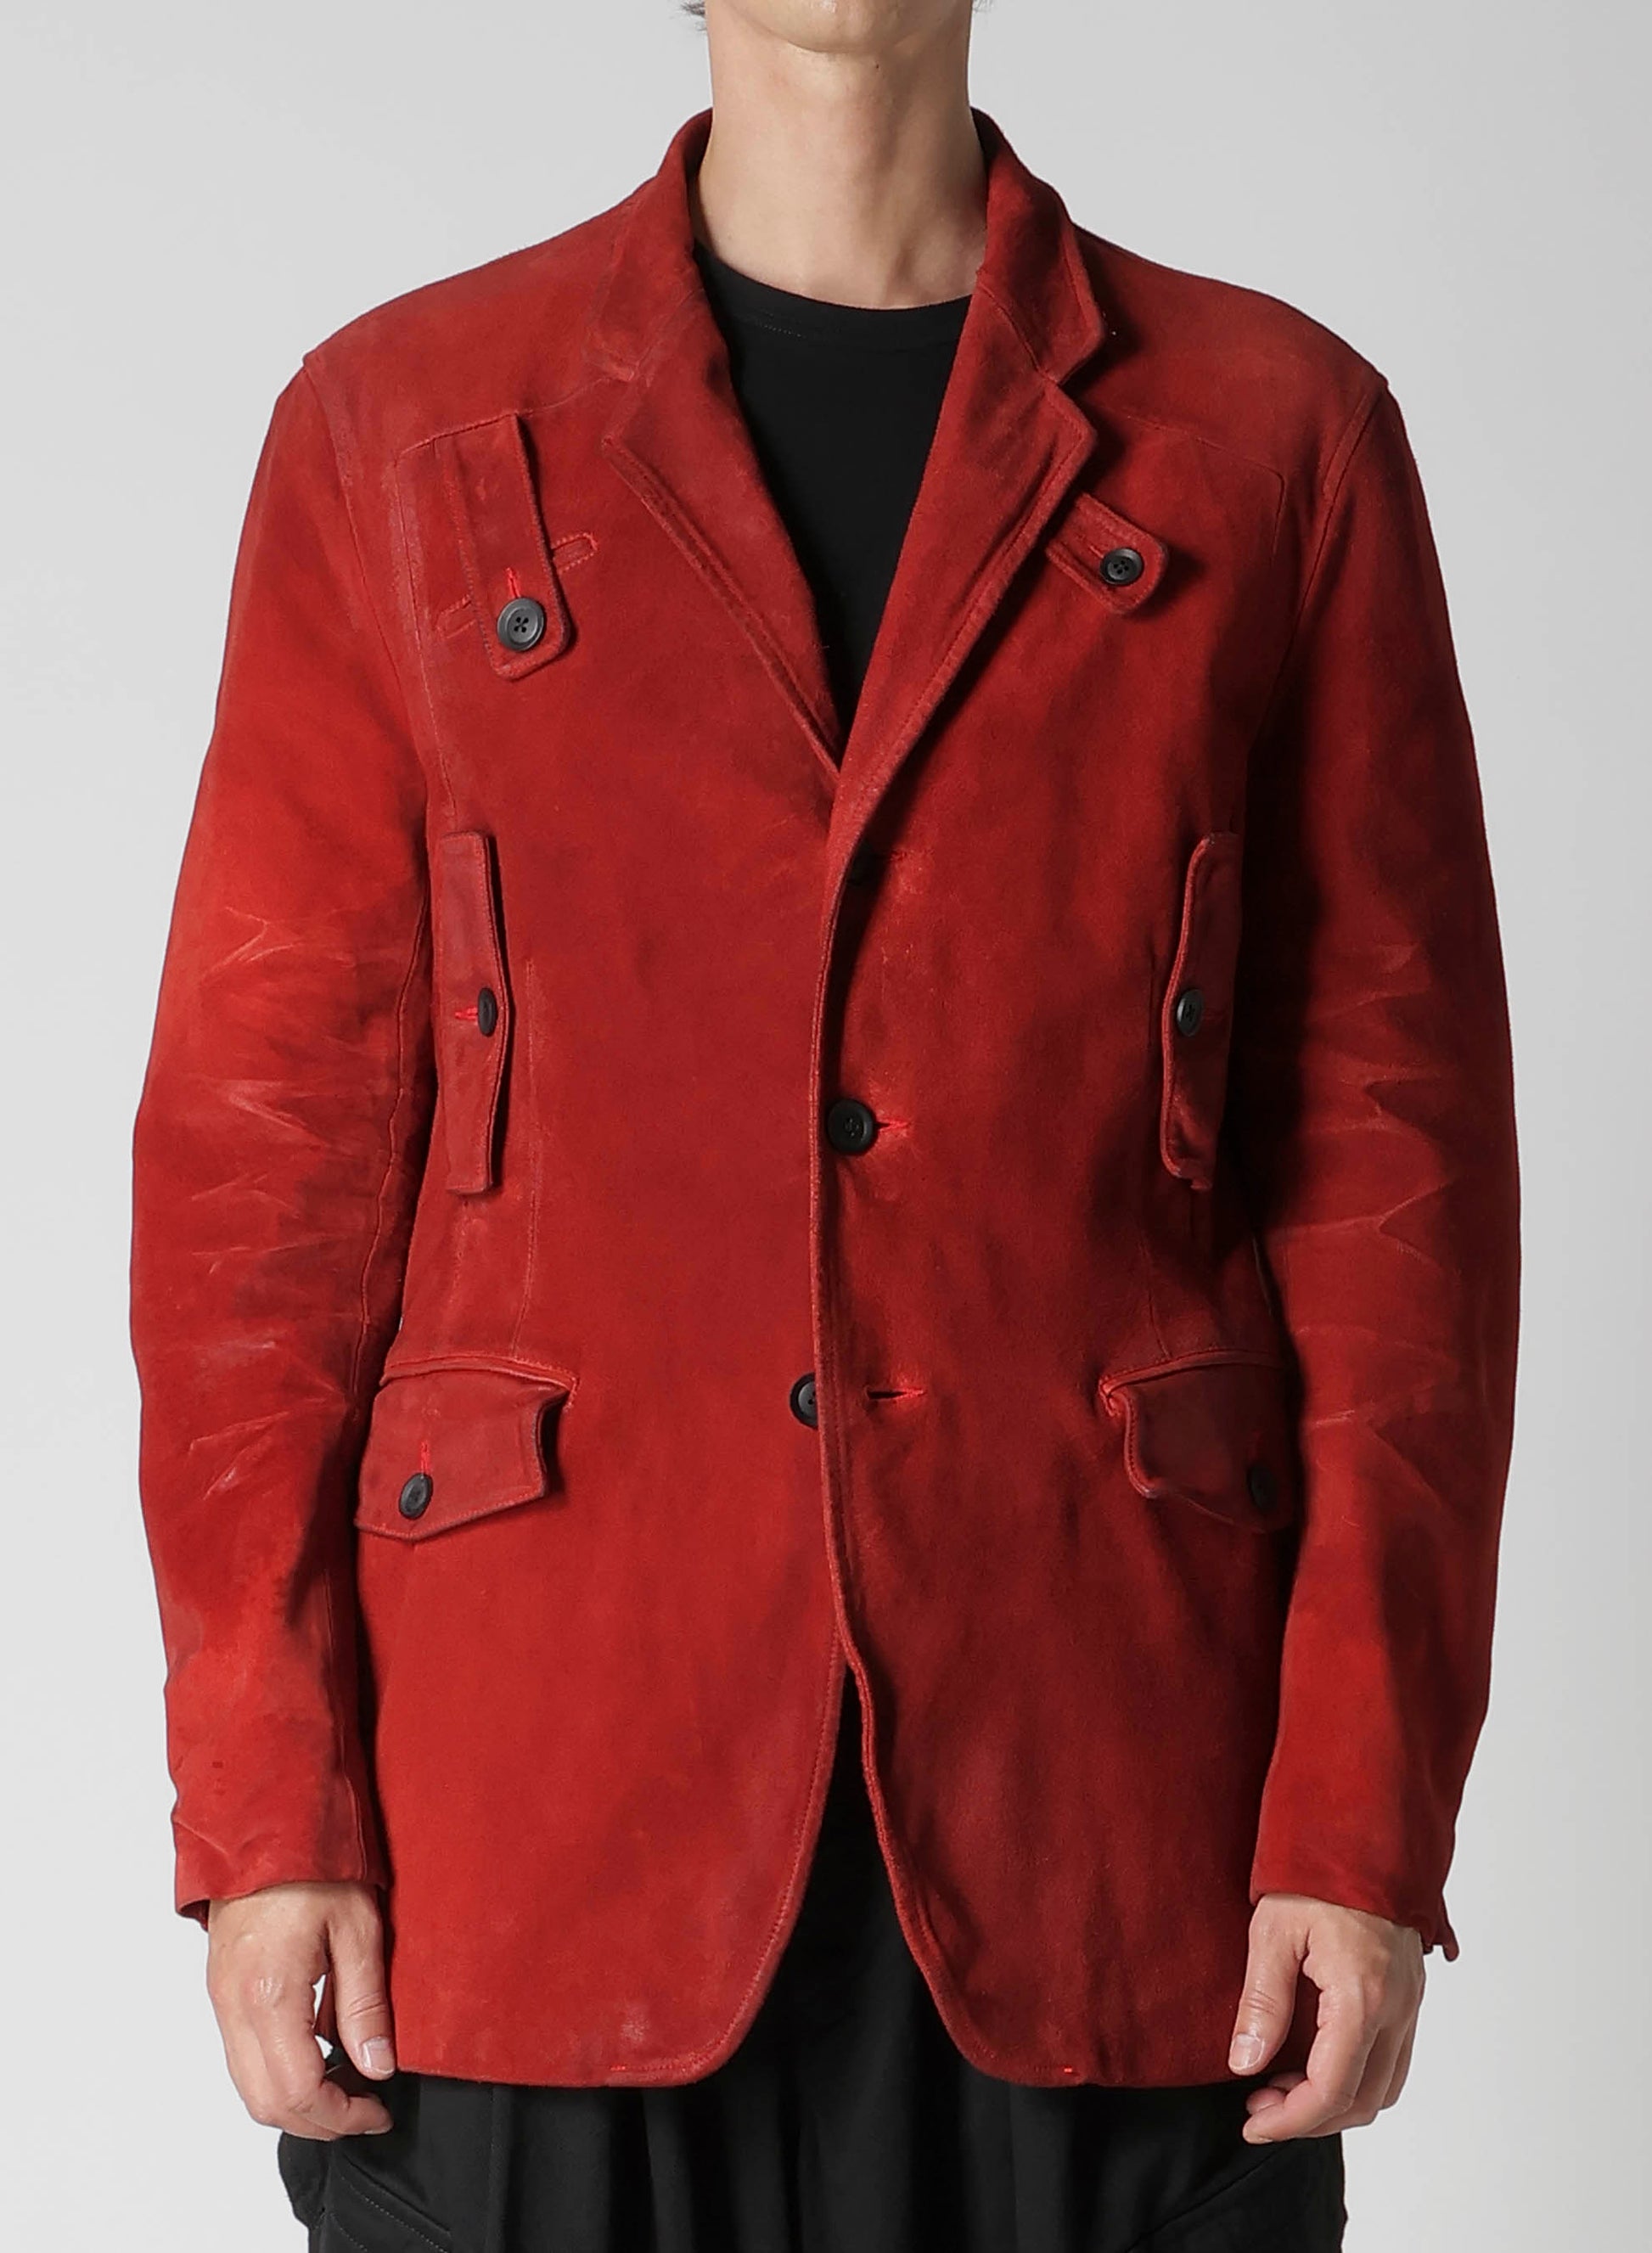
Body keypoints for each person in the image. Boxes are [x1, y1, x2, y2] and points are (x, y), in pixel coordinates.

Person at [128, 3, 1520, 2249]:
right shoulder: (400, 422)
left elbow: (1392, 1181)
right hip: (537, 1804)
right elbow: (261, 1170)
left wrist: (1359, 1812)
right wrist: (266, 1800)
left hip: (1106, 1799)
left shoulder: (1274, 433)